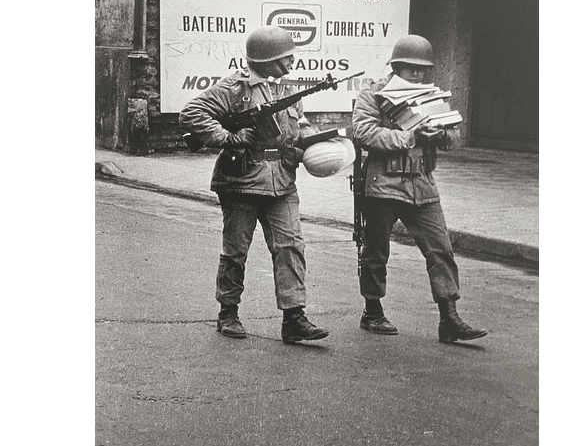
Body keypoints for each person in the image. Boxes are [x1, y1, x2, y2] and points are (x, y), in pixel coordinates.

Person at [179, 26, 329, 344]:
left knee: (290, 247)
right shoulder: (236, 86)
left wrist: (315, 143)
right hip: (241, 180)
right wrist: (229, 137)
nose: (292, 61)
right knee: (236, 251)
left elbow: (299, 126)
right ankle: (228, 313)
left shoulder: (289, 89)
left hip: (282, 180)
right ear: (267, 59)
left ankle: (294, 318)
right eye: (285, 57)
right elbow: (193, 113)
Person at [352, 35, 488, 343]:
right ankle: (372, 311)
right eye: (409, 68)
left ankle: (449, 318)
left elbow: (453, 137)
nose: (416, 74)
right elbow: (364, 133)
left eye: (421, 69)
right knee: (376, 250)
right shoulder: (375, 93)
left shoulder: (433, 95)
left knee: (441, 249)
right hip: (384, 183)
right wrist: (412, 136)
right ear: (397, 65)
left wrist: (440, 135)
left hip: (422, 183)